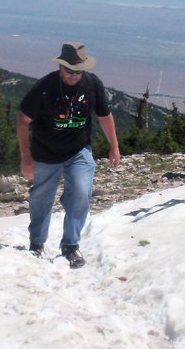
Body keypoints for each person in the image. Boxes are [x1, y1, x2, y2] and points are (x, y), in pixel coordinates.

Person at [17, 41, 121, 268]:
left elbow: (104, 115)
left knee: (81, 193)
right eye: (69, 70)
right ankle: (36, 243)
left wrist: (114, 146)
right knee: (41, 199)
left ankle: (71, 245)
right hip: (45, 152)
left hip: (78, 150)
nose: (74, 75)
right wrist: (26, 158)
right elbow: (24, 120)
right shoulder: (45, 87)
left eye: (78, 71)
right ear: (60, 67)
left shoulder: (92, 84)